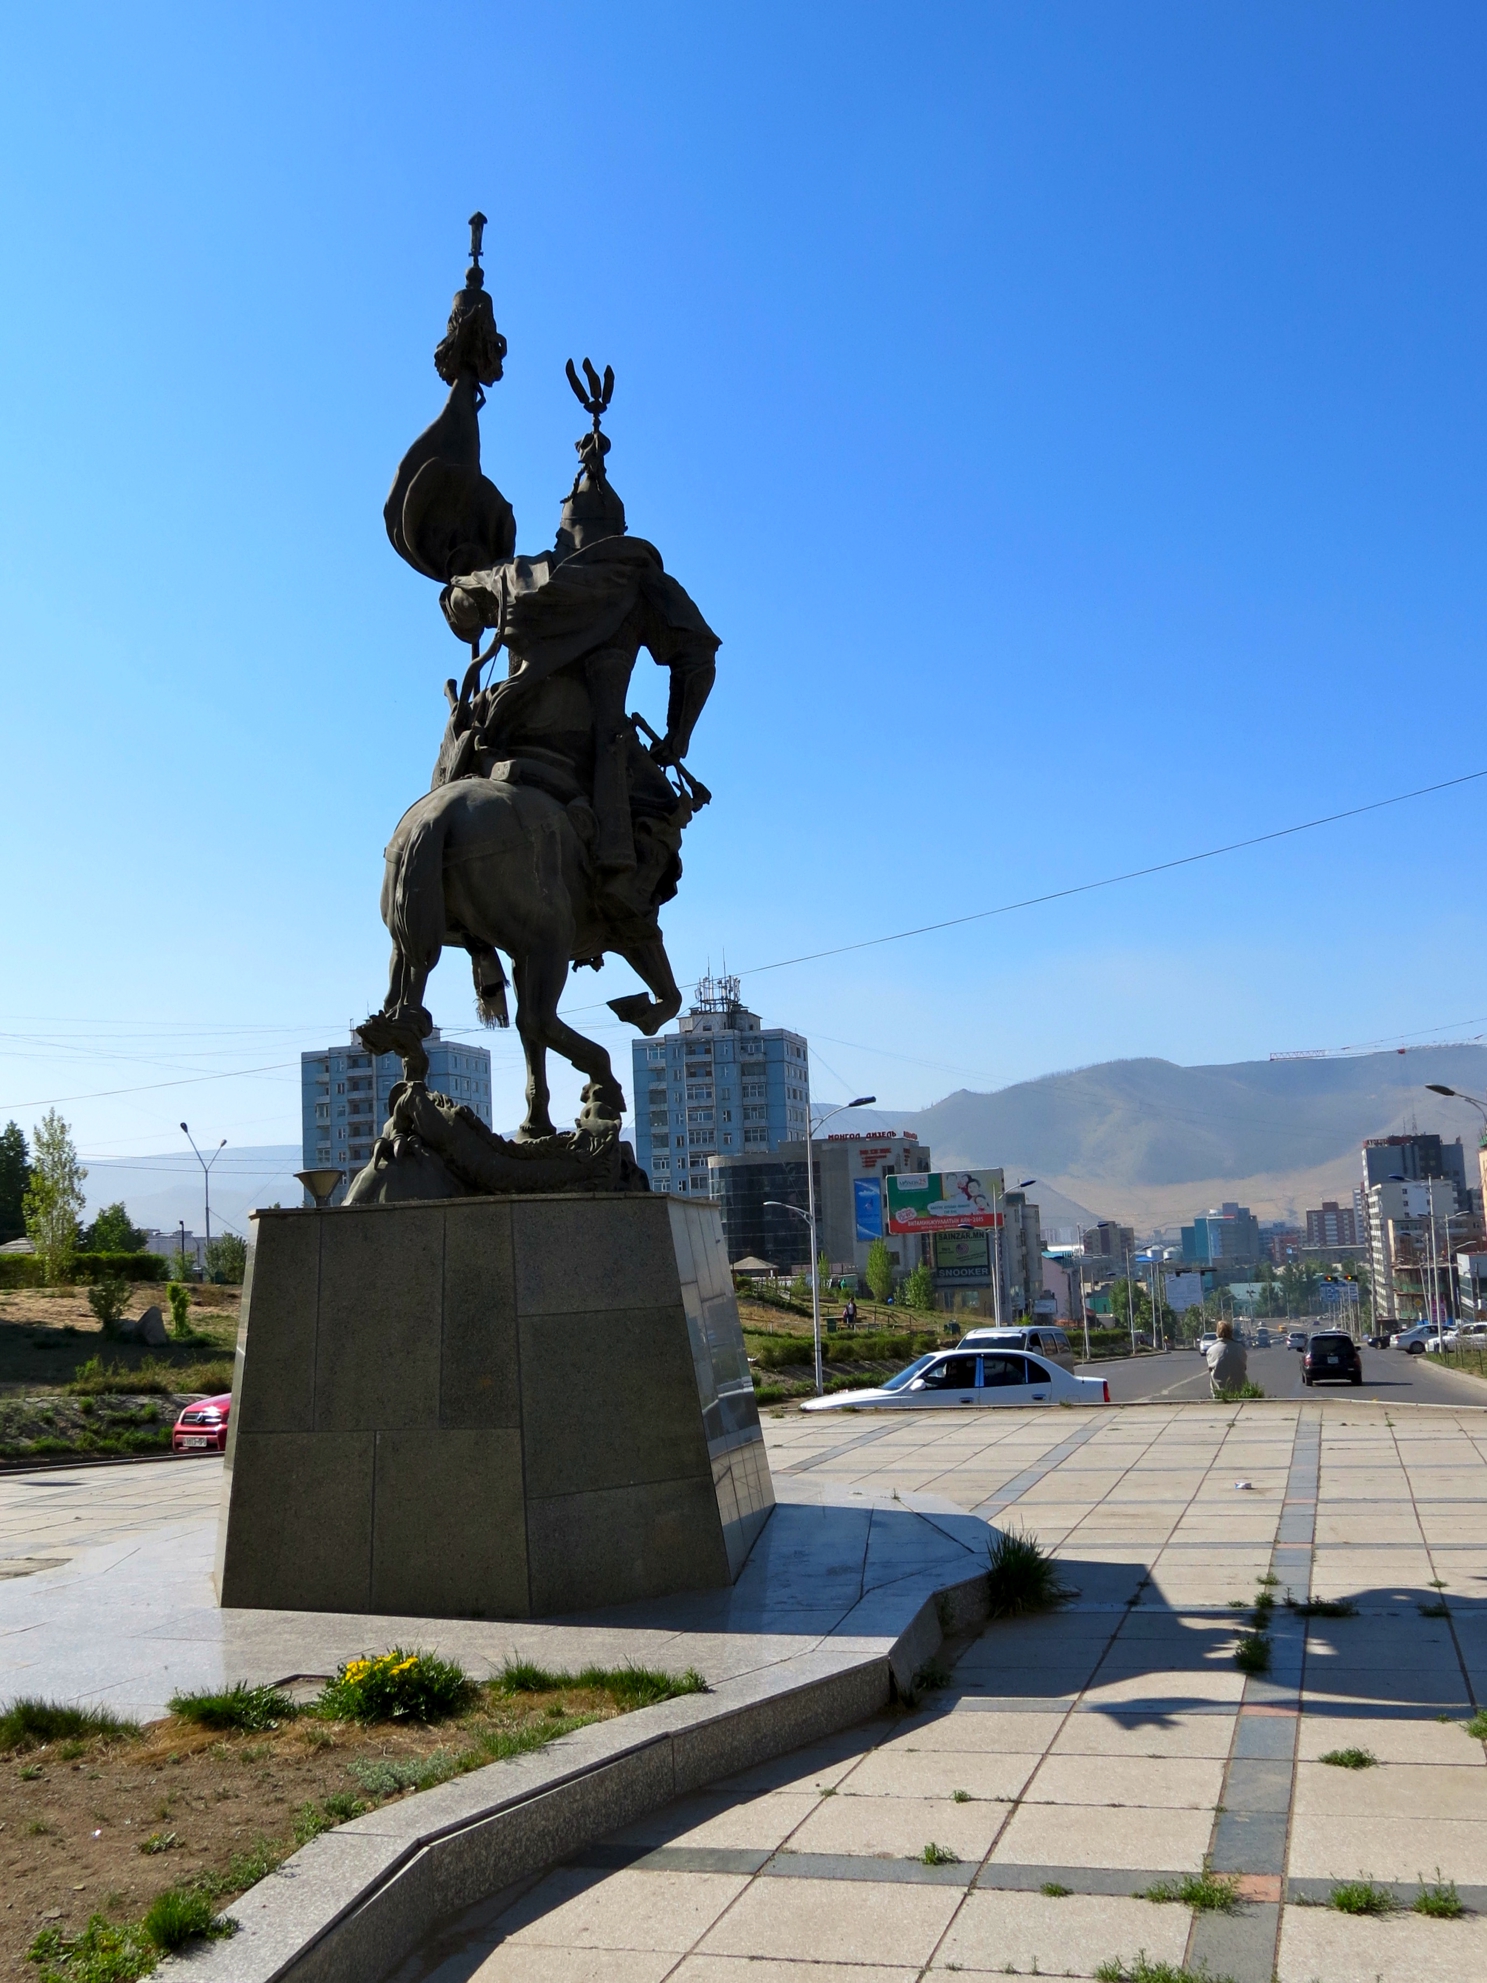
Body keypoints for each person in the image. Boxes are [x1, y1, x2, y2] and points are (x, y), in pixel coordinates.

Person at [1206, 1318, 1248, 1399]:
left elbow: (1210, 1369)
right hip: (1239, 1389)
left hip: (1220, 1390)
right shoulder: (1239, 1348)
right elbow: (1244, 1367)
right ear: (1231, 1333)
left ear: (1217, 1333)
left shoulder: (1211, 1350)